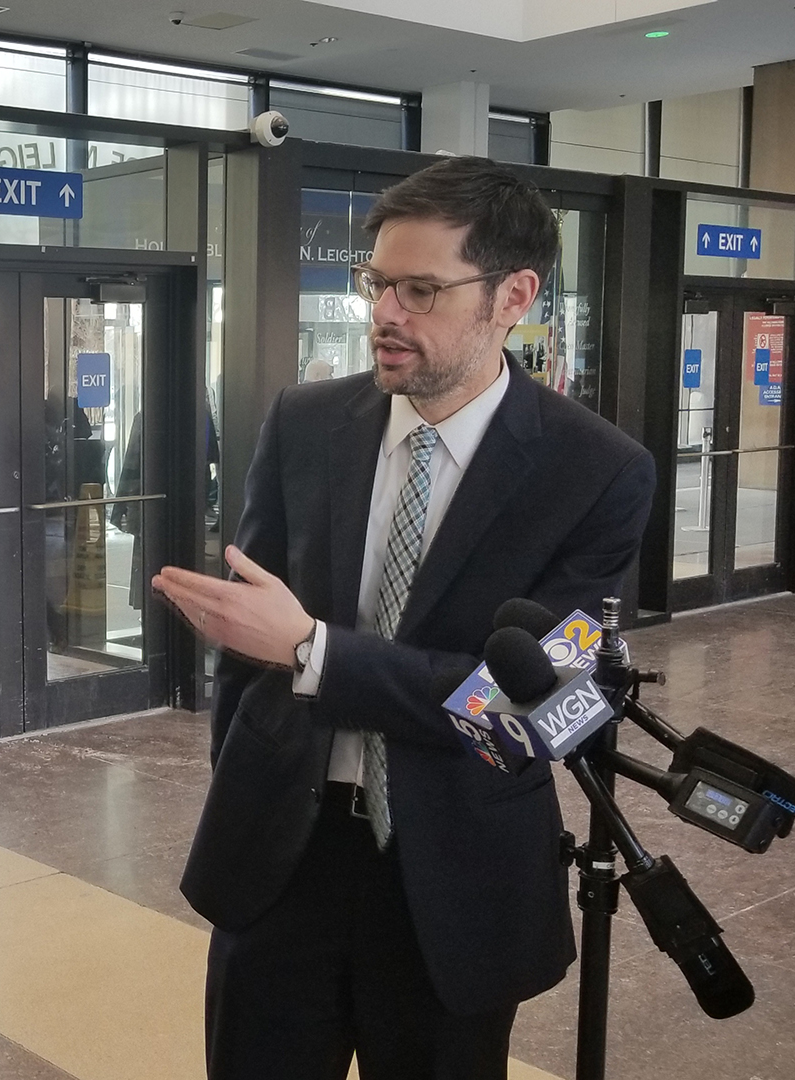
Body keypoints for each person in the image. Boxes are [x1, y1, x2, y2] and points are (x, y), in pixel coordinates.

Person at [155, 157, 655, 1080]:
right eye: (377, 283)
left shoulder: (597, 474)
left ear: (514, 295)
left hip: (454, 882)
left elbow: (536, 713)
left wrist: (314, 653)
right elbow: (244, 651)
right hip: (279, 862)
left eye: (421, 290)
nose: (384, 313)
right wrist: (250, 759)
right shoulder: (305, 424)